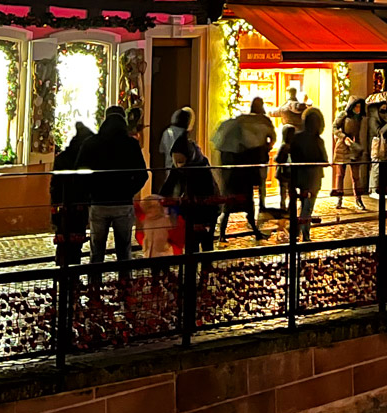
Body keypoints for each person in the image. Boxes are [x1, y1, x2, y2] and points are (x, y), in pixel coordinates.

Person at [76, 105, 148, 290]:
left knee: (96, 251)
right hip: (122, 203)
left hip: (98, 204)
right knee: (124, 250)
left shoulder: (92, 143)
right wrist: (129, 191)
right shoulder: (130, 144)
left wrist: (90, 193)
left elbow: (79, 173)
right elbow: (143, 174)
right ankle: (125, 285)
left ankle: (94, 285)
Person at [162, 138, 220, 322]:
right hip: (189, 212)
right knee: (192, 246)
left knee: (205, 243)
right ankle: (191, 281)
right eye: (175, 160)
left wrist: (205, 222)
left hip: (206, 212)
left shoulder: (201, 168)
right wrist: (160, 199)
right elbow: (169, 185)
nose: (178, 164)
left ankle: (205, 276)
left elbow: (210, 197)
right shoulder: (179, 168)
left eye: (181, 160)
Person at [213, 98, 275, 240]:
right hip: (241, 181)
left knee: (232, 207)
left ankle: (226, 233)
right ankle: (250, 230)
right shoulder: (248, 141)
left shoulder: (233, 140)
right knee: (243, 206)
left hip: (235, 180)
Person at [50, 121, 94, 268]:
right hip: (78, 206)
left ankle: (62, 272)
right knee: (75, 243)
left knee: (63, 239)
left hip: (61, 204)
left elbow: (54, 184)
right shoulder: (85, 160)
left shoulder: (62, 157)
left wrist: (54, 204)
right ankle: (72, 274)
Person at [283, 109, 330, 241]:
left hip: (299, 176)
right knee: (307, 207)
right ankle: (305, 234)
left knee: (302, 204)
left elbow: (291, 155)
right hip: (313, 177)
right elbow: (324, 160)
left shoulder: (297, 137)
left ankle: (297, 231)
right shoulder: (318, 141)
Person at [333, 99, 369, 208]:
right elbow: (334, 127)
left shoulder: (360, 118)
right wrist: (343, 137)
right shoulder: (344, 115)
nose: (358, 109)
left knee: (356, 176)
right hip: (343, 147)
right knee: (340, 175)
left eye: (359, 107)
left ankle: (358, 199)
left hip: (354, 147)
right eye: (356, 106)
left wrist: (359, 146)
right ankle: (339, 198)